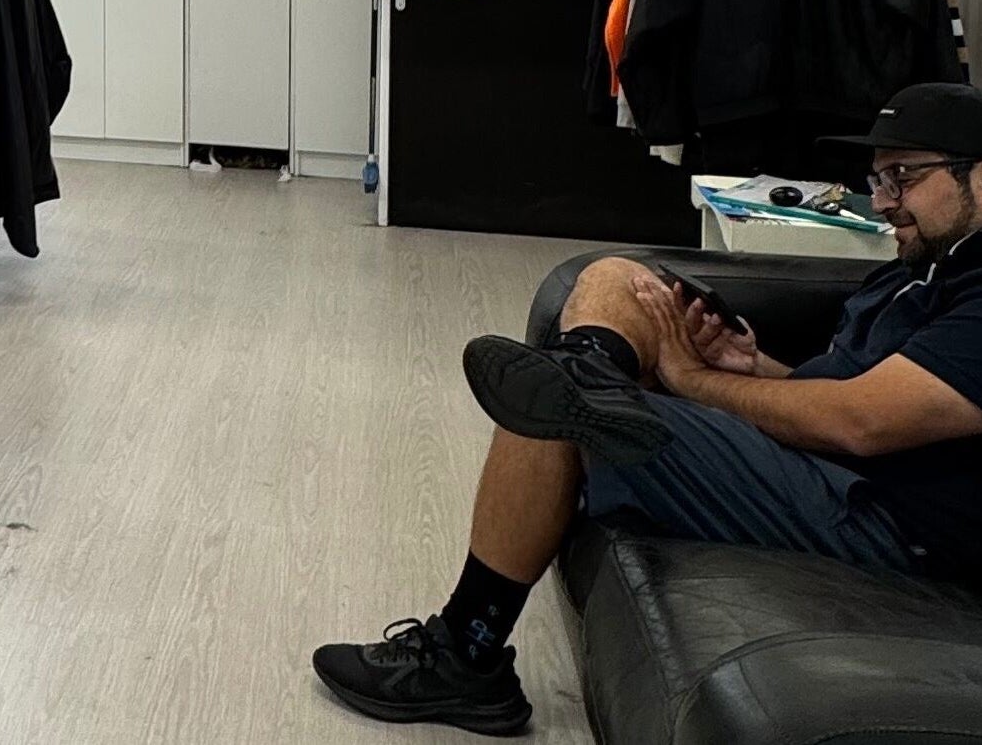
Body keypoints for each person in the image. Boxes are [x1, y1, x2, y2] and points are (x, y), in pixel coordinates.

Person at [313, 81, 982, 736]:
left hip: (876, 513)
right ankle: (591, 369)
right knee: (613, 278)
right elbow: (846, 384)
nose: (883, 200)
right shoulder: (920, 265)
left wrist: (691, 379)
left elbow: (861, 422)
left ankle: (467, 648)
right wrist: (752, 367)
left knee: (559, 402)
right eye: (878, 178)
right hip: (826, 464)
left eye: (904, 176)